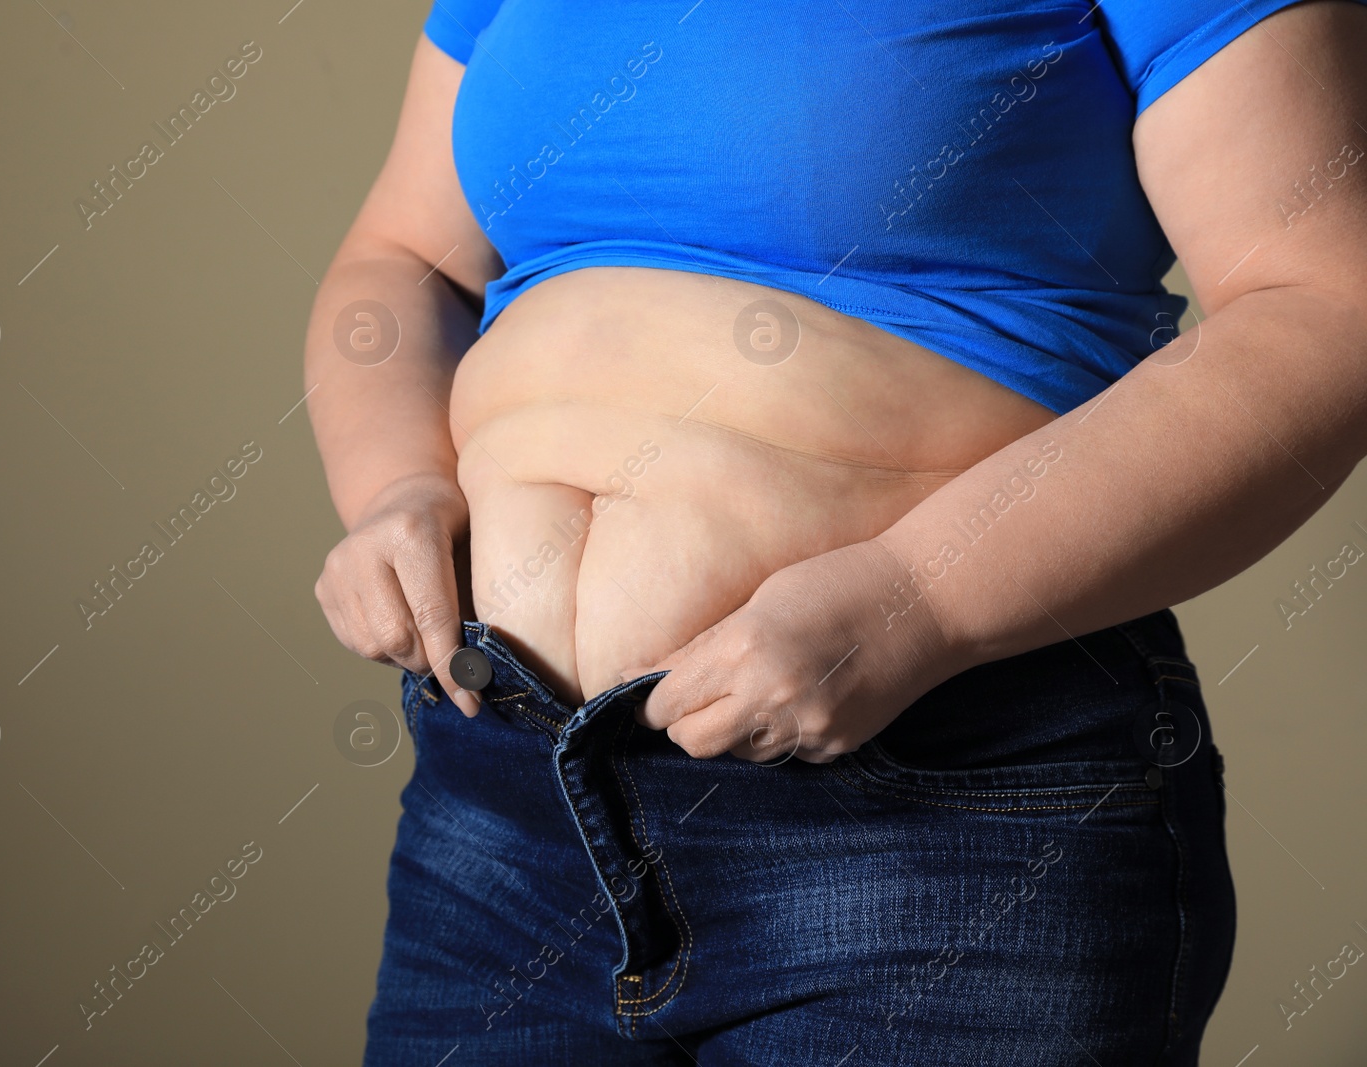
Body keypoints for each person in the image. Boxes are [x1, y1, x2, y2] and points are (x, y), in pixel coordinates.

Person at [304, 1, 1367, 1062]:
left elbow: (1323, 305)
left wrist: (918, 595)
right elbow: (403, 259)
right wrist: (394, 485)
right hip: (504, 795)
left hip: (944, 811)